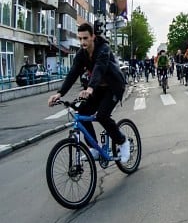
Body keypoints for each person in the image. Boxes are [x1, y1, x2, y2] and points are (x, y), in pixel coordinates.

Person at [47, 22, 130, 162]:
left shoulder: (103, 49)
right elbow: (73, 74)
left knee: (102, 116)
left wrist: (90, 88)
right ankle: (94, 148)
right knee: (82, 113)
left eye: (85, 38)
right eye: (80, 39)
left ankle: (123, 142)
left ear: (93, 36)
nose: (82, 42)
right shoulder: (81, 54)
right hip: (97, 89)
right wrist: (59, 93)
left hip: (113, 87)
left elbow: (99, 68)